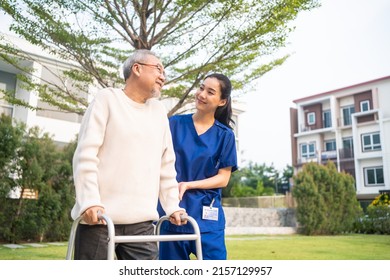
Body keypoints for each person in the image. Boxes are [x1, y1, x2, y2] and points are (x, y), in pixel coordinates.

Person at [71, 49, 186, 260]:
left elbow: (166, 164)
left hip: (141, 223)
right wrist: (89, 201)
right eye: (158, 69)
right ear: (137, 69)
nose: (163, 76)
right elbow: (86, 155)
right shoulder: (107, 99)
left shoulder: (159, 111)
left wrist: (172, 206)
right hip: (100, 218)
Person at [158, 73, 238, 260]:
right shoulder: (173, 124)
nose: (202, 94)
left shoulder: (225, 135)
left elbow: (223, 178)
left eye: (210, 92)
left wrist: (188, 184)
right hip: (173, 213)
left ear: (222, 101)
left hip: (207, 219)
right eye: (201, 88)